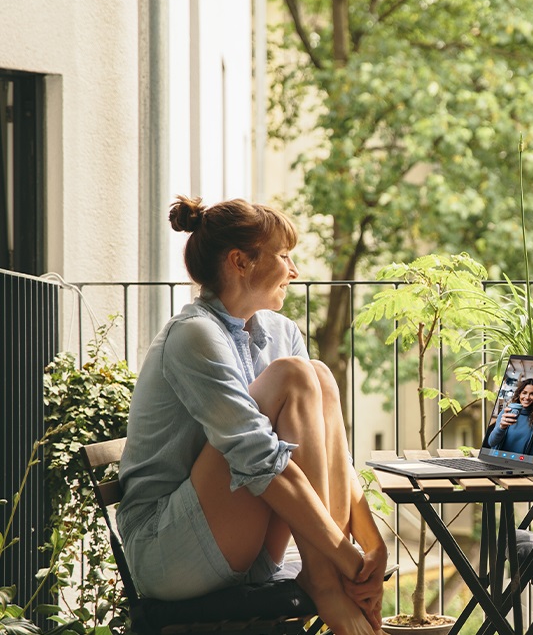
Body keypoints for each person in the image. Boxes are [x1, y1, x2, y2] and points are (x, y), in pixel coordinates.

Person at [116, 196, 387, 635]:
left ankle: (332, 581)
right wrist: (347, 559)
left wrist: (373, 547)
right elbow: (260, 463)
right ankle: (327, 583)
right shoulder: (194, 335)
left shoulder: (281, 332)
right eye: (284, 256)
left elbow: (329, 456)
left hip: (243, 538)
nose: (295, 271)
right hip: (169, 551)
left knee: (317, 375)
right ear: (240, 261)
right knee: (296, 376)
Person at [486, 378, 533, 455]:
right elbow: (491, 442)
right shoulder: (507, 412)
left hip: (519, 462)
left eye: (532, 394)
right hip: (499, 459)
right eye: (524, 393)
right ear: (519, 394)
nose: (527, 397)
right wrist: (501, 427)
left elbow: (531, 448)